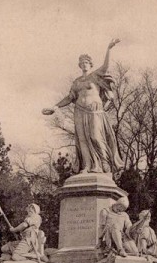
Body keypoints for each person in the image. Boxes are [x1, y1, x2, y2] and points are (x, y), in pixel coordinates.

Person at [42, 39, 123, 175]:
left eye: (86, 62)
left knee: (96, 137)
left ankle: (104, 163)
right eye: (82, 63)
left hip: (94, 111)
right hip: (79, 111)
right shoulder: (77, 82)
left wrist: (109, 48)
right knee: (82, 139)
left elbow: (106, 65)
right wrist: (55, 107)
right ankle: (86, 166)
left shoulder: (96, 75)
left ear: (90, 64)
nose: (84, 65)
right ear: (79, 65)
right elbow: (69, 98)